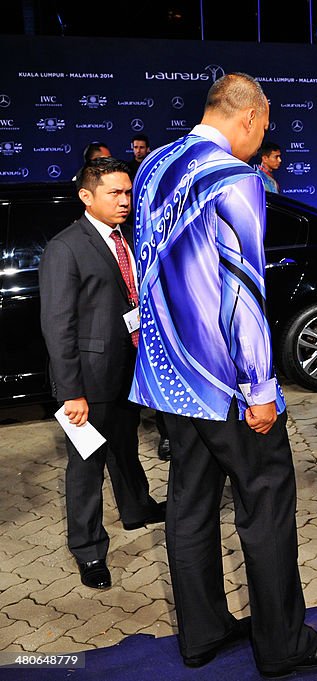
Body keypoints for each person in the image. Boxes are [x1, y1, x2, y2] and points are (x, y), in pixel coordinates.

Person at [130, 73, 317, 676]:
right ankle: (283, 646)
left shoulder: (152, 168)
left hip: (167, 377)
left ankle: (201, 635)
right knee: (267, 501)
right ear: (253, 117)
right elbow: (244, 291)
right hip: (225, 382)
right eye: (267, 124)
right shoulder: (236, 178)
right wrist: (260, 388)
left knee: (190, 503)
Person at [39, 157, 165, 590]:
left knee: (126, 447)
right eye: (115, 193)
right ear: (86, 196)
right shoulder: (66, 247)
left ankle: (137, 508)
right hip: (88, 383)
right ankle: (90, 550)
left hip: (126, 370)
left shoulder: (121, 238)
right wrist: (71, 391)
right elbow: (58, 326)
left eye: (128, 192)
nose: (125, 201)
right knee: (86, 465)